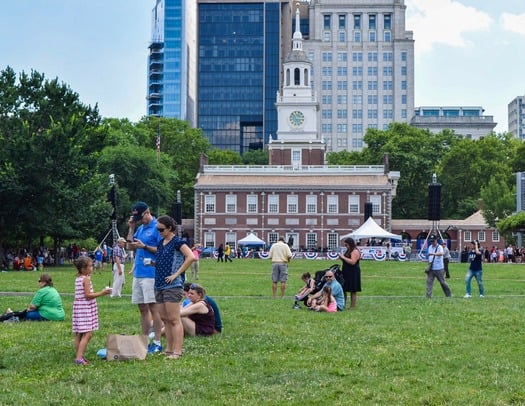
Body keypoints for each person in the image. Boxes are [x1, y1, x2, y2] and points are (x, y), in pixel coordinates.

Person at [154, 215, 194, 359]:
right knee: (164, 318)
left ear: (170, 228)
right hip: (158, 284)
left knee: (174, 318)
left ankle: (178, 351)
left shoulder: (178, 242)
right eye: (157, 229)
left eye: (161, 229)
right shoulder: (161, 243)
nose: (159, 232)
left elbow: (191, 257)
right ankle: (169, 349)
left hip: (173, 285)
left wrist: (176, 274)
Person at [126, 201, 163, 354]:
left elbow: (162, 250)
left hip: (150, 274)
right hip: (138, 273)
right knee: (142, 308)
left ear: (147, 212)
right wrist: (131, 227)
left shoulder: (157, 227)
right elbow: (129, 246)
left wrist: (145, 247)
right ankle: (144, 339)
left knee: (153, 307)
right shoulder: (140, 228)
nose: (140, 221)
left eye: (141, 218)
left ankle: (157, 342)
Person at [72, 256, 112, 365]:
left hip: (79, 307)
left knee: (79, 334)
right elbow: (88, 295)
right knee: (88, 334)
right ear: (83, 269)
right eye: (90, 266)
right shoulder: (86, 279)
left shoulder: (79, 278)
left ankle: (79, 355)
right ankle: (79, 358)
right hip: (85, 308)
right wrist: (102, 292)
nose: (92, 268)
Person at [339, 237, 361, 309]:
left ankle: (352, 306)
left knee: (353, 289)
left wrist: (344, 257)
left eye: (346, 245)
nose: (346, 246)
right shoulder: (348, 250)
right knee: (343, 288)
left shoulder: (355, 251)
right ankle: (343, 305)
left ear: (350, 244)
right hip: (346, 271)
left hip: (353, 272)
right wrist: (342, 258)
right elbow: (346, 261)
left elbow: (353, 262)